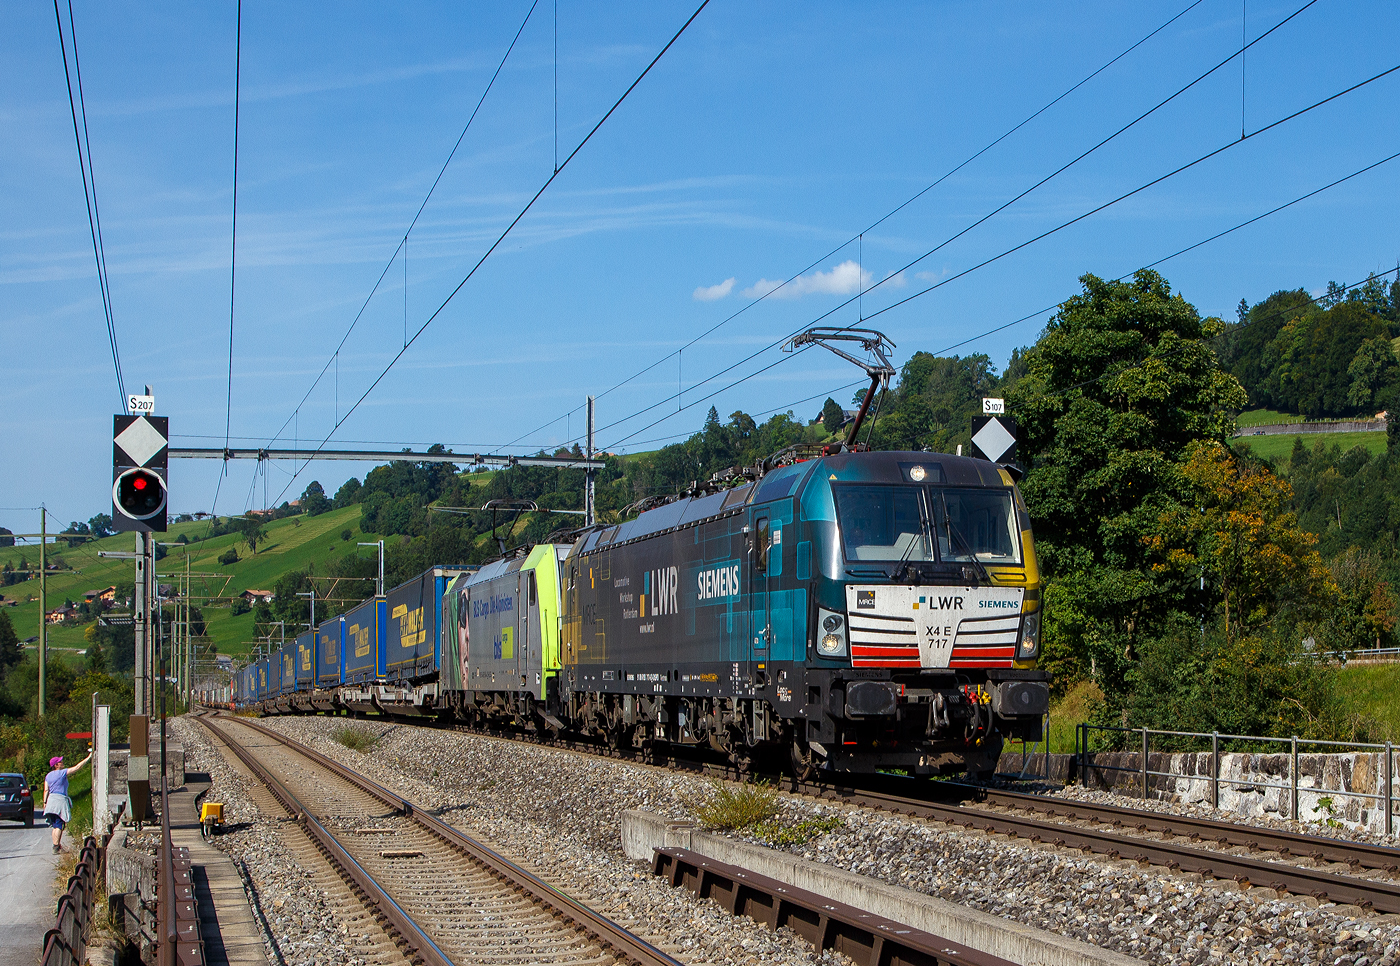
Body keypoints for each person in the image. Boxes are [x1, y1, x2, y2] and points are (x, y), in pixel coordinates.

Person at [42, 751, 92, 854]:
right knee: (59, 824)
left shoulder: (48, 776)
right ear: (56, 765)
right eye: (60, 762)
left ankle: (57, 845)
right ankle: (56, 847)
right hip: (59, 800)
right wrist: (88, 757)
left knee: (55, 824)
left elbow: (46, 790)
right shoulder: (62, 773)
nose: (62, 762)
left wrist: (44, 803)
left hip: (51, 800)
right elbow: (77, 768)